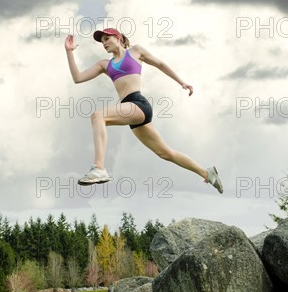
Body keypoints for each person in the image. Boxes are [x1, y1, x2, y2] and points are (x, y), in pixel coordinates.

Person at [64, 28, 223, 194]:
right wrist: (69, 52)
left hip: (138, 104)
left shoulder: (136, 51)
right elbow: (78, 78)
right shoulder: (105, 65)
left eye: (106, 38)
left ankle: (99, 167)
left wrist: (181, 82)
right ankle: (207, 173)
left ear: (118, 37)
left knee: (98, 116)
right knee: (166, 153)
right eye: (101, 41)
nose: (103, 43)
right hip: (130, 111)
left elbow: (160, 64)